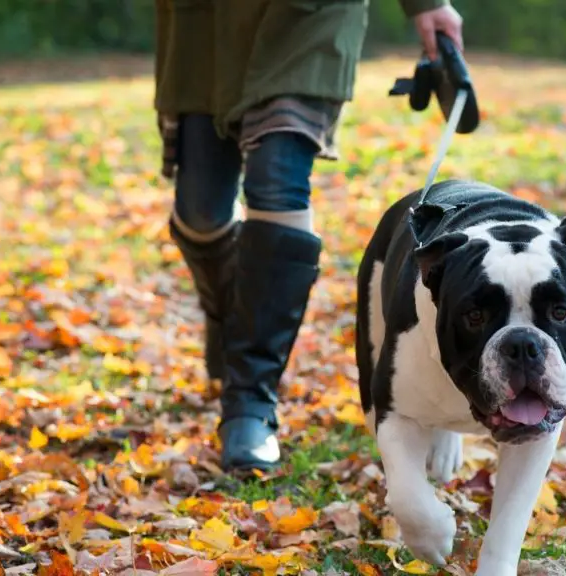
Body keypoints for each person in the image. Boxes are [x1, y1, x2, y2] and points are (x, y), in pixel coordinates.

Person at [153, 0, 464, 472]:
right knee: (200, 211)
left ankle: (250, 403)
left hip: (306, 19)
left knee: (277, 180)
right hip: (205, 24)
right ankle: (231, 315)